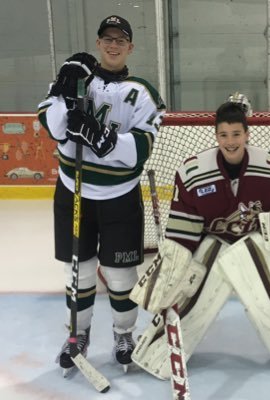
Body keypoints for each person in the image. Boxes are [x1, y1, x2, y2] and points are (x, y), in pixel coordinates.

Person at [128, 97, 270, 379]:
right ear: (216, 136)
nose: (230, 141)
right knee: (191, 299)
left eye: (236, 134)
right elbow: (182, 232)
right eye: (223, 135)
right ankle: (156, 351)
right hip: (214, 244)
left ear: (247, 134)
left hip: (255, 244)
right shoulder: (192, 171)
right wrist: (171, 274)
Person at [37, 15, 166, 374]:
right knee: (78, 273)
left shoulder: (142, 92)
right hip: (72, 189)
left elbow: (141, 149)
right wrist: (63, 89)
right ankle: (77, 336)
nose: (113, 45)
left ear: (130, 47)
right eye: (107, 39)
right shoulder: (78, 79)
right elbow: (52, 125)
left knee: (122, 276)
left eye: (120, 40)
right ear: (98, 43)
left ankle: (124, 335)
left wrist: (101, 137)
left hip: (119, 197)